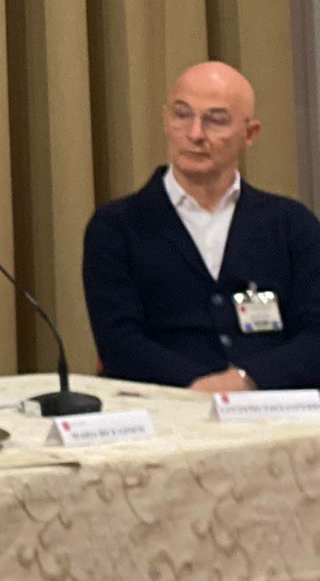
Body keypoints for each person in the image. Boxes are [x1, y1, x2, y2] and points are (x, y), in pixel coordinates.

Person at [82, 62, 320, 390]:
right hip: (164, 404)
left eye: (215, 120)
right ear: (166, 121)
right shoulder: (117, 226)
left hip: (274, 402)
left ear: (250, 134)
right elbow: (120, 343)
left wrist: (247, 381)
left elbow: (315, 335)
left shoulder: (291, 225)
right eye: (182, 115)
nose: (195, 134)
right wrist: (197, 387)